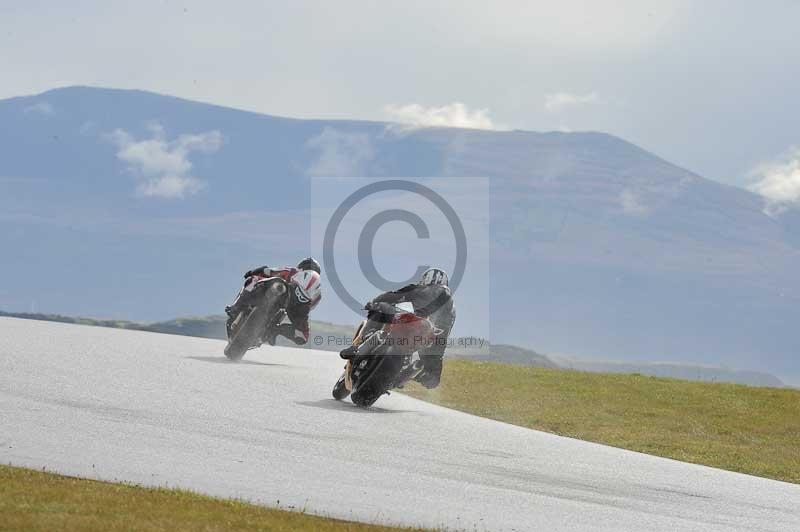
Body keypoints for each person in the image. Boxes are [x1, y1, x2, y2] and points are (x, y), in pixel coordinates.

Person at [340, 267, 455, 389]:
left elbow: (393, 295)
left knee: (381, 307)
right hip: (425, 336)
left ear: (425, 280)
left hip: (411, 324)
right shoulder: (451, 310)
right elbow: (441, 341)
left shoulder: (418, 289)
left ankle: (357, 347)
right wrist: (433, 372)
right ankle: (404, 374)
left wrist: (374, 303)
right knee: (429, 365)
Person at [225, 257, 321, 346]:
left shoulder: (293, 271)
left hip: (284, 292)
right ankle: (274, 331)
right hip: (295, 306)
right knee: (302, 336)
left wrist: (252, 272)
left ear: (302, 266)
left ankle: (236, 307)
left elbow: (268, 271)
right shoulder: (317, 292)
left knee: (252, 279)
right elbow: (310, 307)